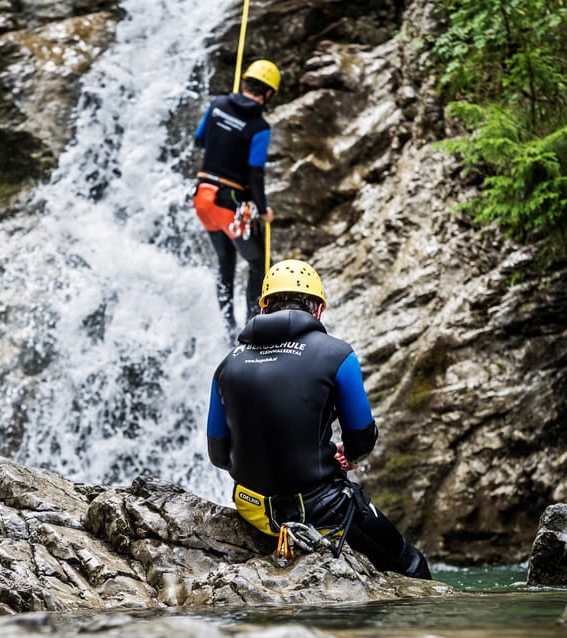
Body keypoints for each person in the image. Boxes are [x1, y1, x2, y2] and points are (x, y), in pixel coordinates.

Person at [206, 259, 431, 579]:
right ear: (317, 310)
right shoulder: (336, 355)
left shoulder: (228, 363)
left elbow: (218, 455)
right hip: (319, 509)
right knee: (411, 564)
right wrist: (347, 455)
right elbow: (362, 438)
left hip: (251, 509)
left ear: (265, 308)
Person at [193, 59, 280, 336]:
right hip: (228, 206)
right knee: (259, 263)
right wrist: (263, 209)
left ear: (244, 83)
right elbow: (255, 174)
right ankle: (252, 327)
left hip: (202, 200)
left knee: (225, 261)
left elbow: (199, 140)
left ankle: (228, 327)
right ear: (268, 93)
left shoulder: (217, 104)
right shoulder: (259, 127)